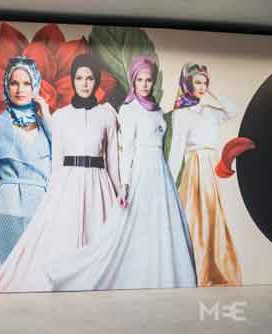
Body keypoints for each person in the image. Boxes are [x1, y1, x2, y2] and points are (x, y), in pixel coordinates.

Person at [46, 56, 197, 291]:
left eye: (149, 80)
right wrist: (124, 186)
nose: (145, 85)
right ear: (133, 82)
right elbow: (125, 152)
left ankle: (161, 277)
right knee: (129, 231)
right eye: (140, 80)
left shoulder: (158, 111)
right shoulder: (128, 110)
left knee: (161, 229)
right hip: (141, 173)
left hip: (161, 175)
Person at [0, 54, 122, 292]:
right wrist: (53, 191)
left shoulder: (107, 115)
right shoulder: (61, 116)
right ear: (72, 80)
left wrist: (119, 188)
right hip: (68, 182)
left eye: (89, 78)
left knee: (100, 241)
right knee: (64, 238)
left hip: (98, 183)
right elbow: (57, 158)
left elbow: (113, 159)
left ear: (96, 81)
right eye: (79, 77)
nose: (84, 83)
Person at [166, 62, 242, 286]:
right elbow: (176, 151)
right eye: (197, 82)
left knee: (212, 217)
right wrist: (168, 183)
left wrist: (211, 91)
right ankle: (193, 270)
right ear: (187, 84)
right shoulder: (181, 114)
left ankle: (213, 268)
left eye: (204, 83)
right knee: (194, 218)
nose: (201, 87)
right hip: (194, 166)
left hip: (209, 167)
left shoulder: (211, 112)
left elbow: (233, 110)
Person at [0, 56, 52, 271]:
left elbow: (63, 161)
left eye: (27, 83)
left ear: (35, 86)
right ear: (6, 86)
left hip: (41, 205)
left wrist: (46, 115)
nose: (20, 89)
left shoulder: (46, 124)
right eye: (14, 83)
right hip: (8, 205)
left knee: (39, 273)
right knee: (9, 273)